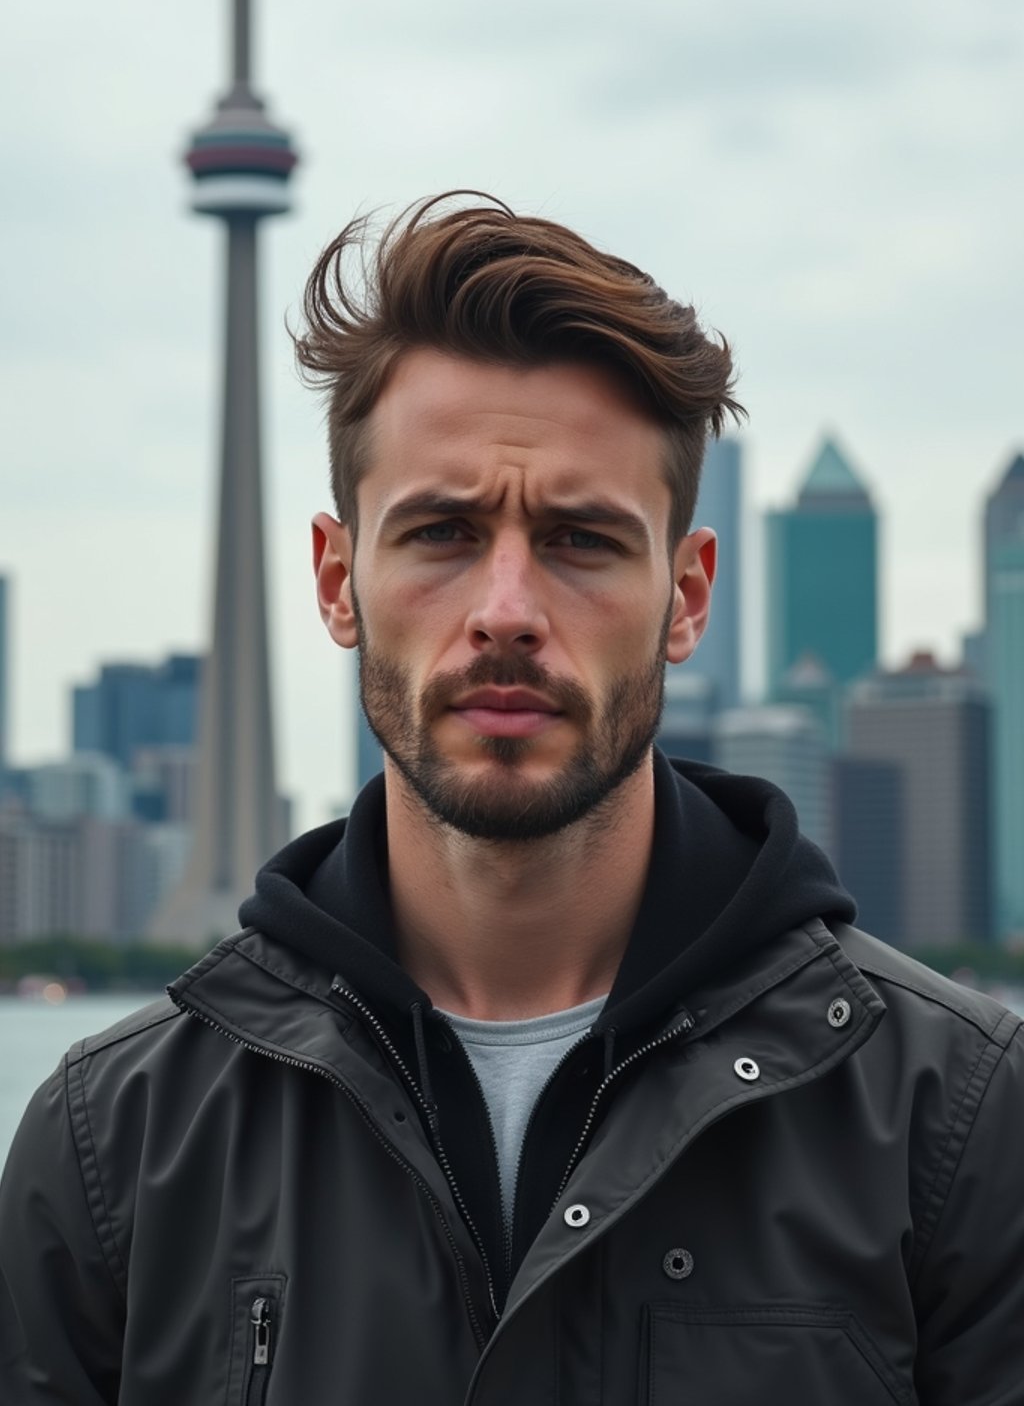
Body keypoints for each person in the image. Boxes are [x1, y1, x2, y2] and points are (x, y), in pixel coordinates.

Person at [1, 194, 1022, 1405]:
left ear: (686, 596)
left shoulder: (954, 1120)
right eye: (439, 531)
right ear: (339, 581)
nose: (505, 609)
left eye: (581, 540)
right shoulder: (113, 1146)